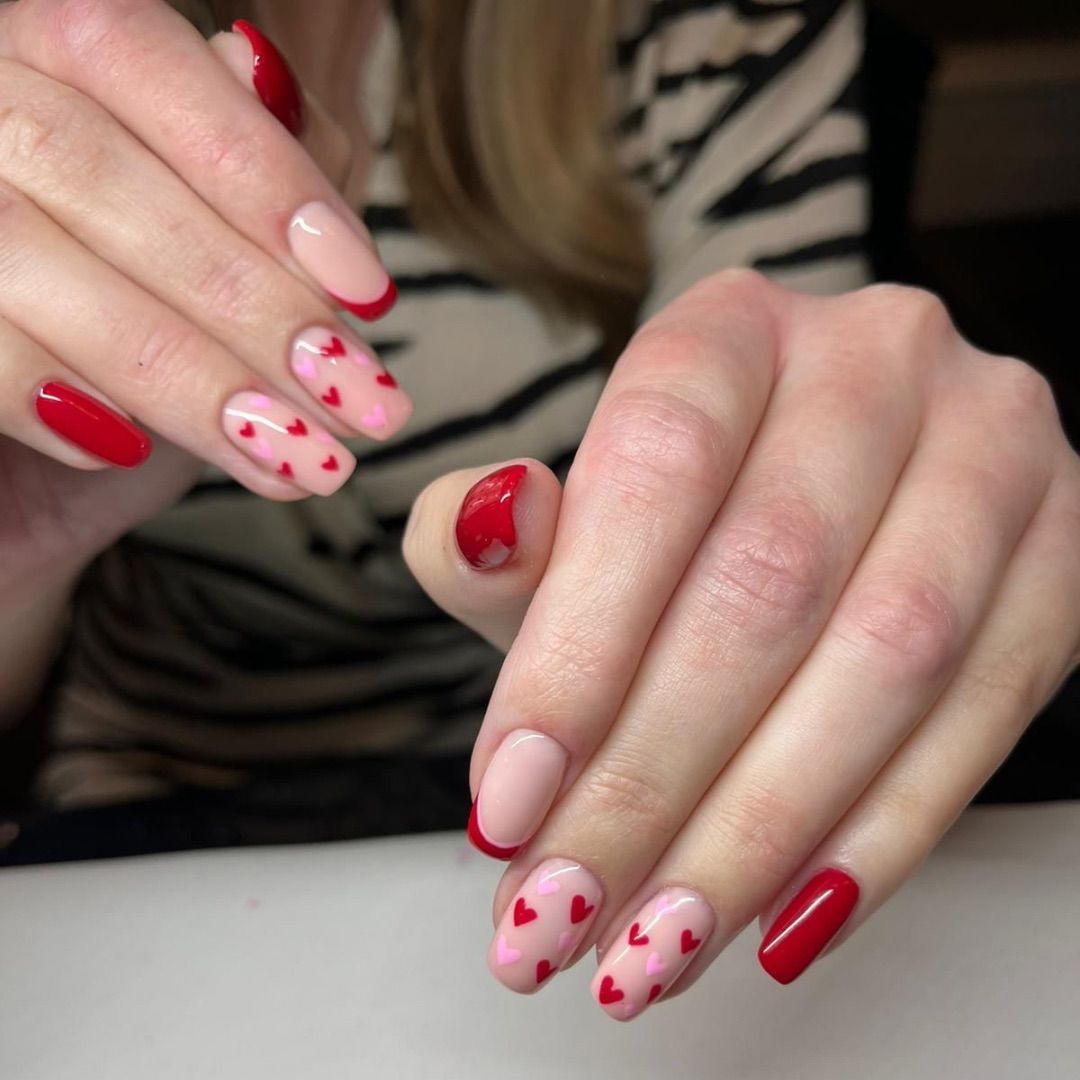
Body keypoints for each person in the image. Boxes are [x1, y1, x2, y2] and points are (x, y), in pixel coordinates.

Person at [0, 0, 1077, 1017]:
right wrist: (21, 550)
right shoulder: (31, 75)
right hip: (144, 817)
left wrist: (856, 488)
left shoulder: (704, 29)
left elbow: (798, 447)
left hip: (618, 807)